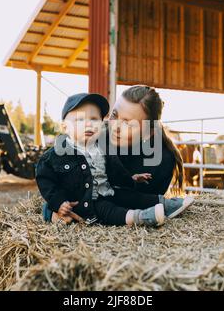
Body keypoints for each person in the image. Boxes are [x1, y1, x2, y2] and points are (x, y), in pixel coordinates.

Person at [35, 93, 193, 227]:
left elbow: (116, 175)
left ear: (147, 132)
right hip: (92, 201)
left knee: (128, 196)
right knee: (109, 209)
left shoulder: (161, 160)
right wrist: (53, 208)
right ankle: (139, 217)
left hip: (109, 192)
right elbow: (48, 180)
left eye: (128, 123)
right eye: (115, 115)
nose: (89, 124)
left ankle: (166, 205)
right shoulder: (63, 152)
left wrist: (130, 180)